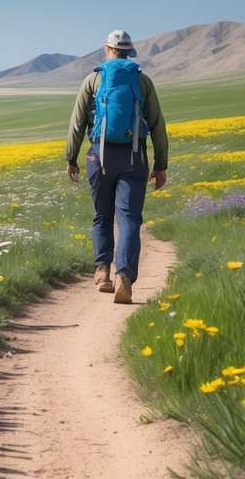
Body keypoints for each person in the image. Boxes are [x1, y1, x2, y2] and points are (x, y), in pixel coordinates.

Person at [65, 29, 168, 304]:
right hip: (135, 158)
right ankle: (124, 276)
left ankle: (102, 272)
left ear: (106, 49)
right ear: (129, 52)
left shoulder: (93, 79)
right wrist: (160, 164)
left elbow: (76, 124)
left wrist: (71, 158)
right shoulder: (143, 81)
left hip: (99, 157)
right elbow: (157, 124)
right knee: (130, 219)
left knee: (103, 215)